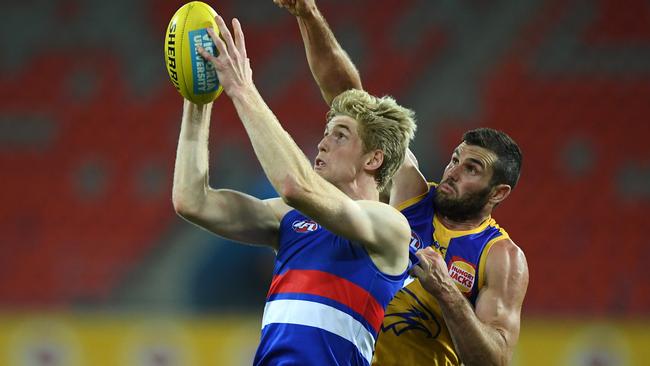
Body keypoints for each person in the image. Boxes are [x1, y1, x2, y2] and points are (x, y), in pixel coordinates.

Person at [274, 1, 530, 365]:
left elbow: (495, 360)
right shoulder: (411, 191)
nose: (453, 172)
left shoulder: (501, 257)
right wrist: (308, 15)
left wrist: (447, 293)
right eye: (455, 159)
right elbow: (352, 100)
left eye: (472, 169)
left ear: (499, 192)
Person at [172, 12, 418, 366]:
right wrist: (197, 99)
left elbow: (294, 185)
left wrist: (242, 88)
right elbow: (192, 201)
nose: (322, 144)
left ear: (373, 159)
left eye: (340, 135)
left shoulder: (389, 227)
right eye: (326, 131)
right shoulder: (292, 219)